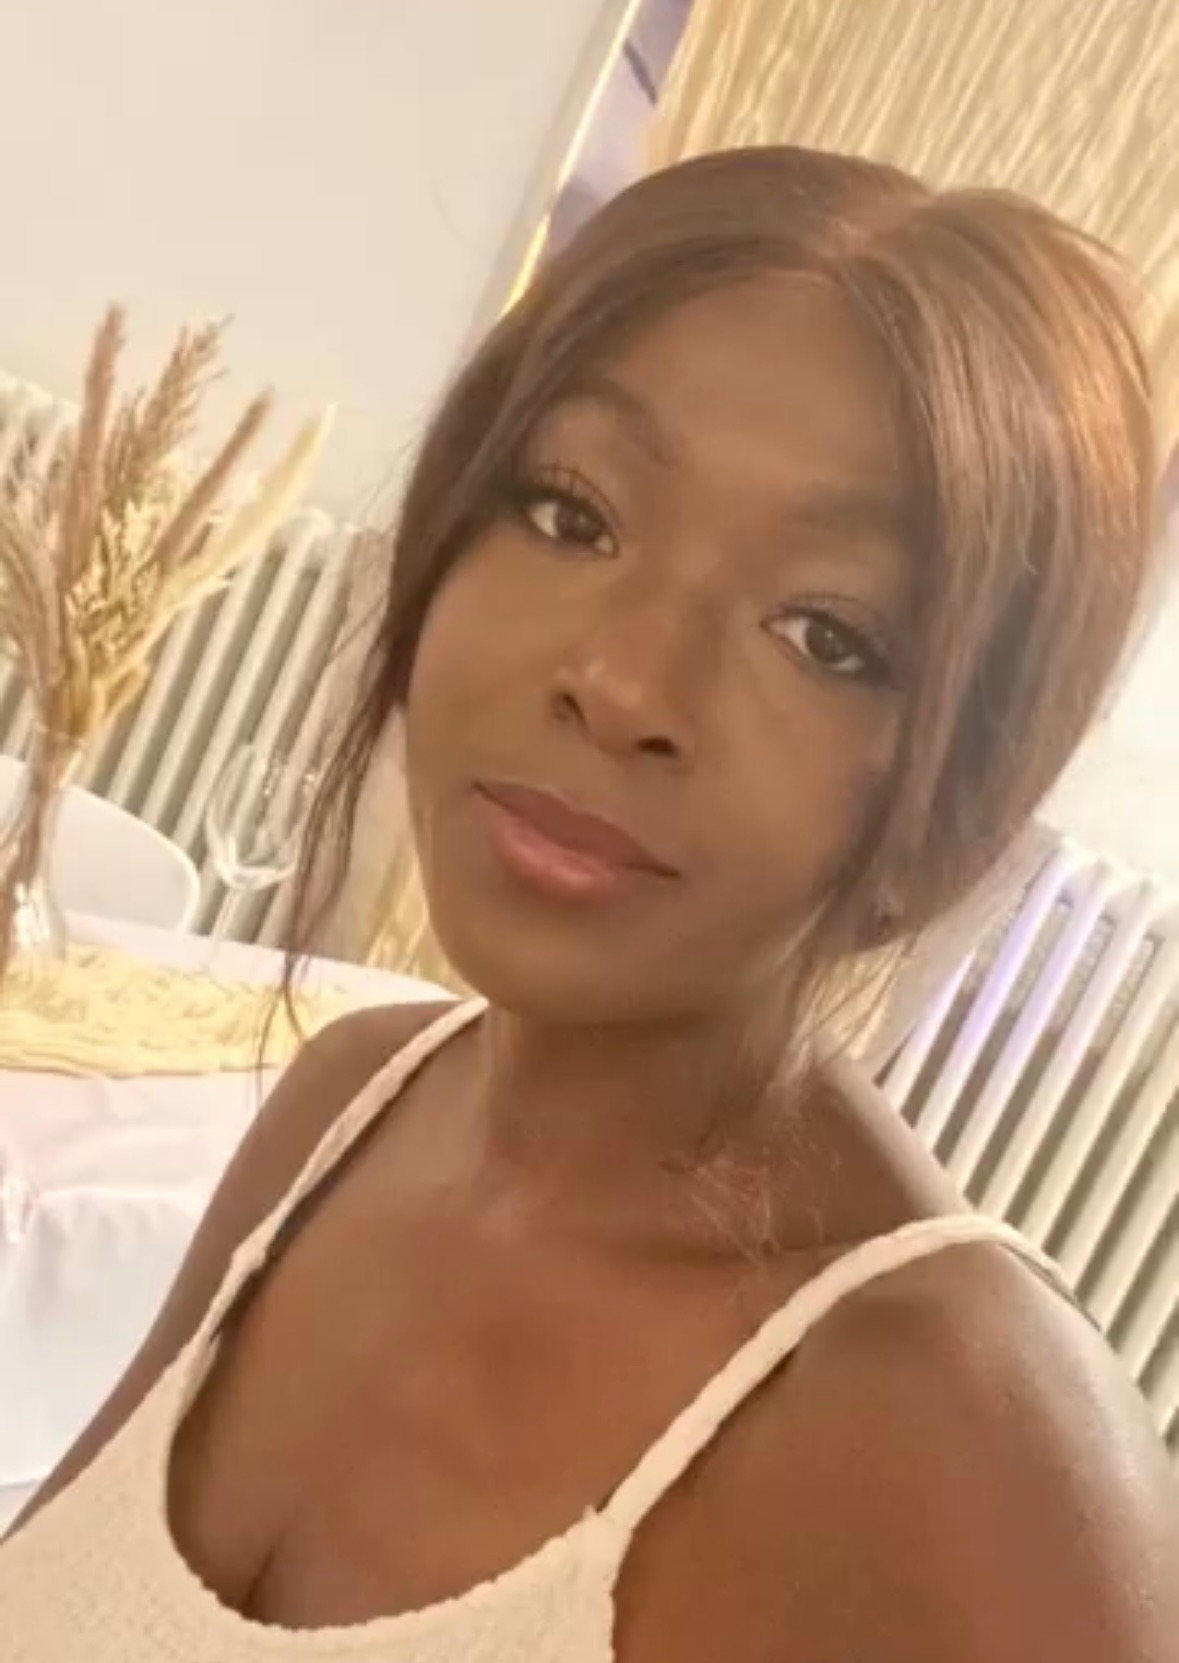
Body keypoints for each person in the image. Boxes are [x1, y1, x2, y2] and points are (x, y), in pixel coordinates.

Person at [1, 146, 1175, 1662]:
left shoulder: (968, 1445)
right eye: (571, 513)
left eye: (825, 633)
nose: (622, 684)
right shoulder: (345, 1107)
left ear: (961, 794)